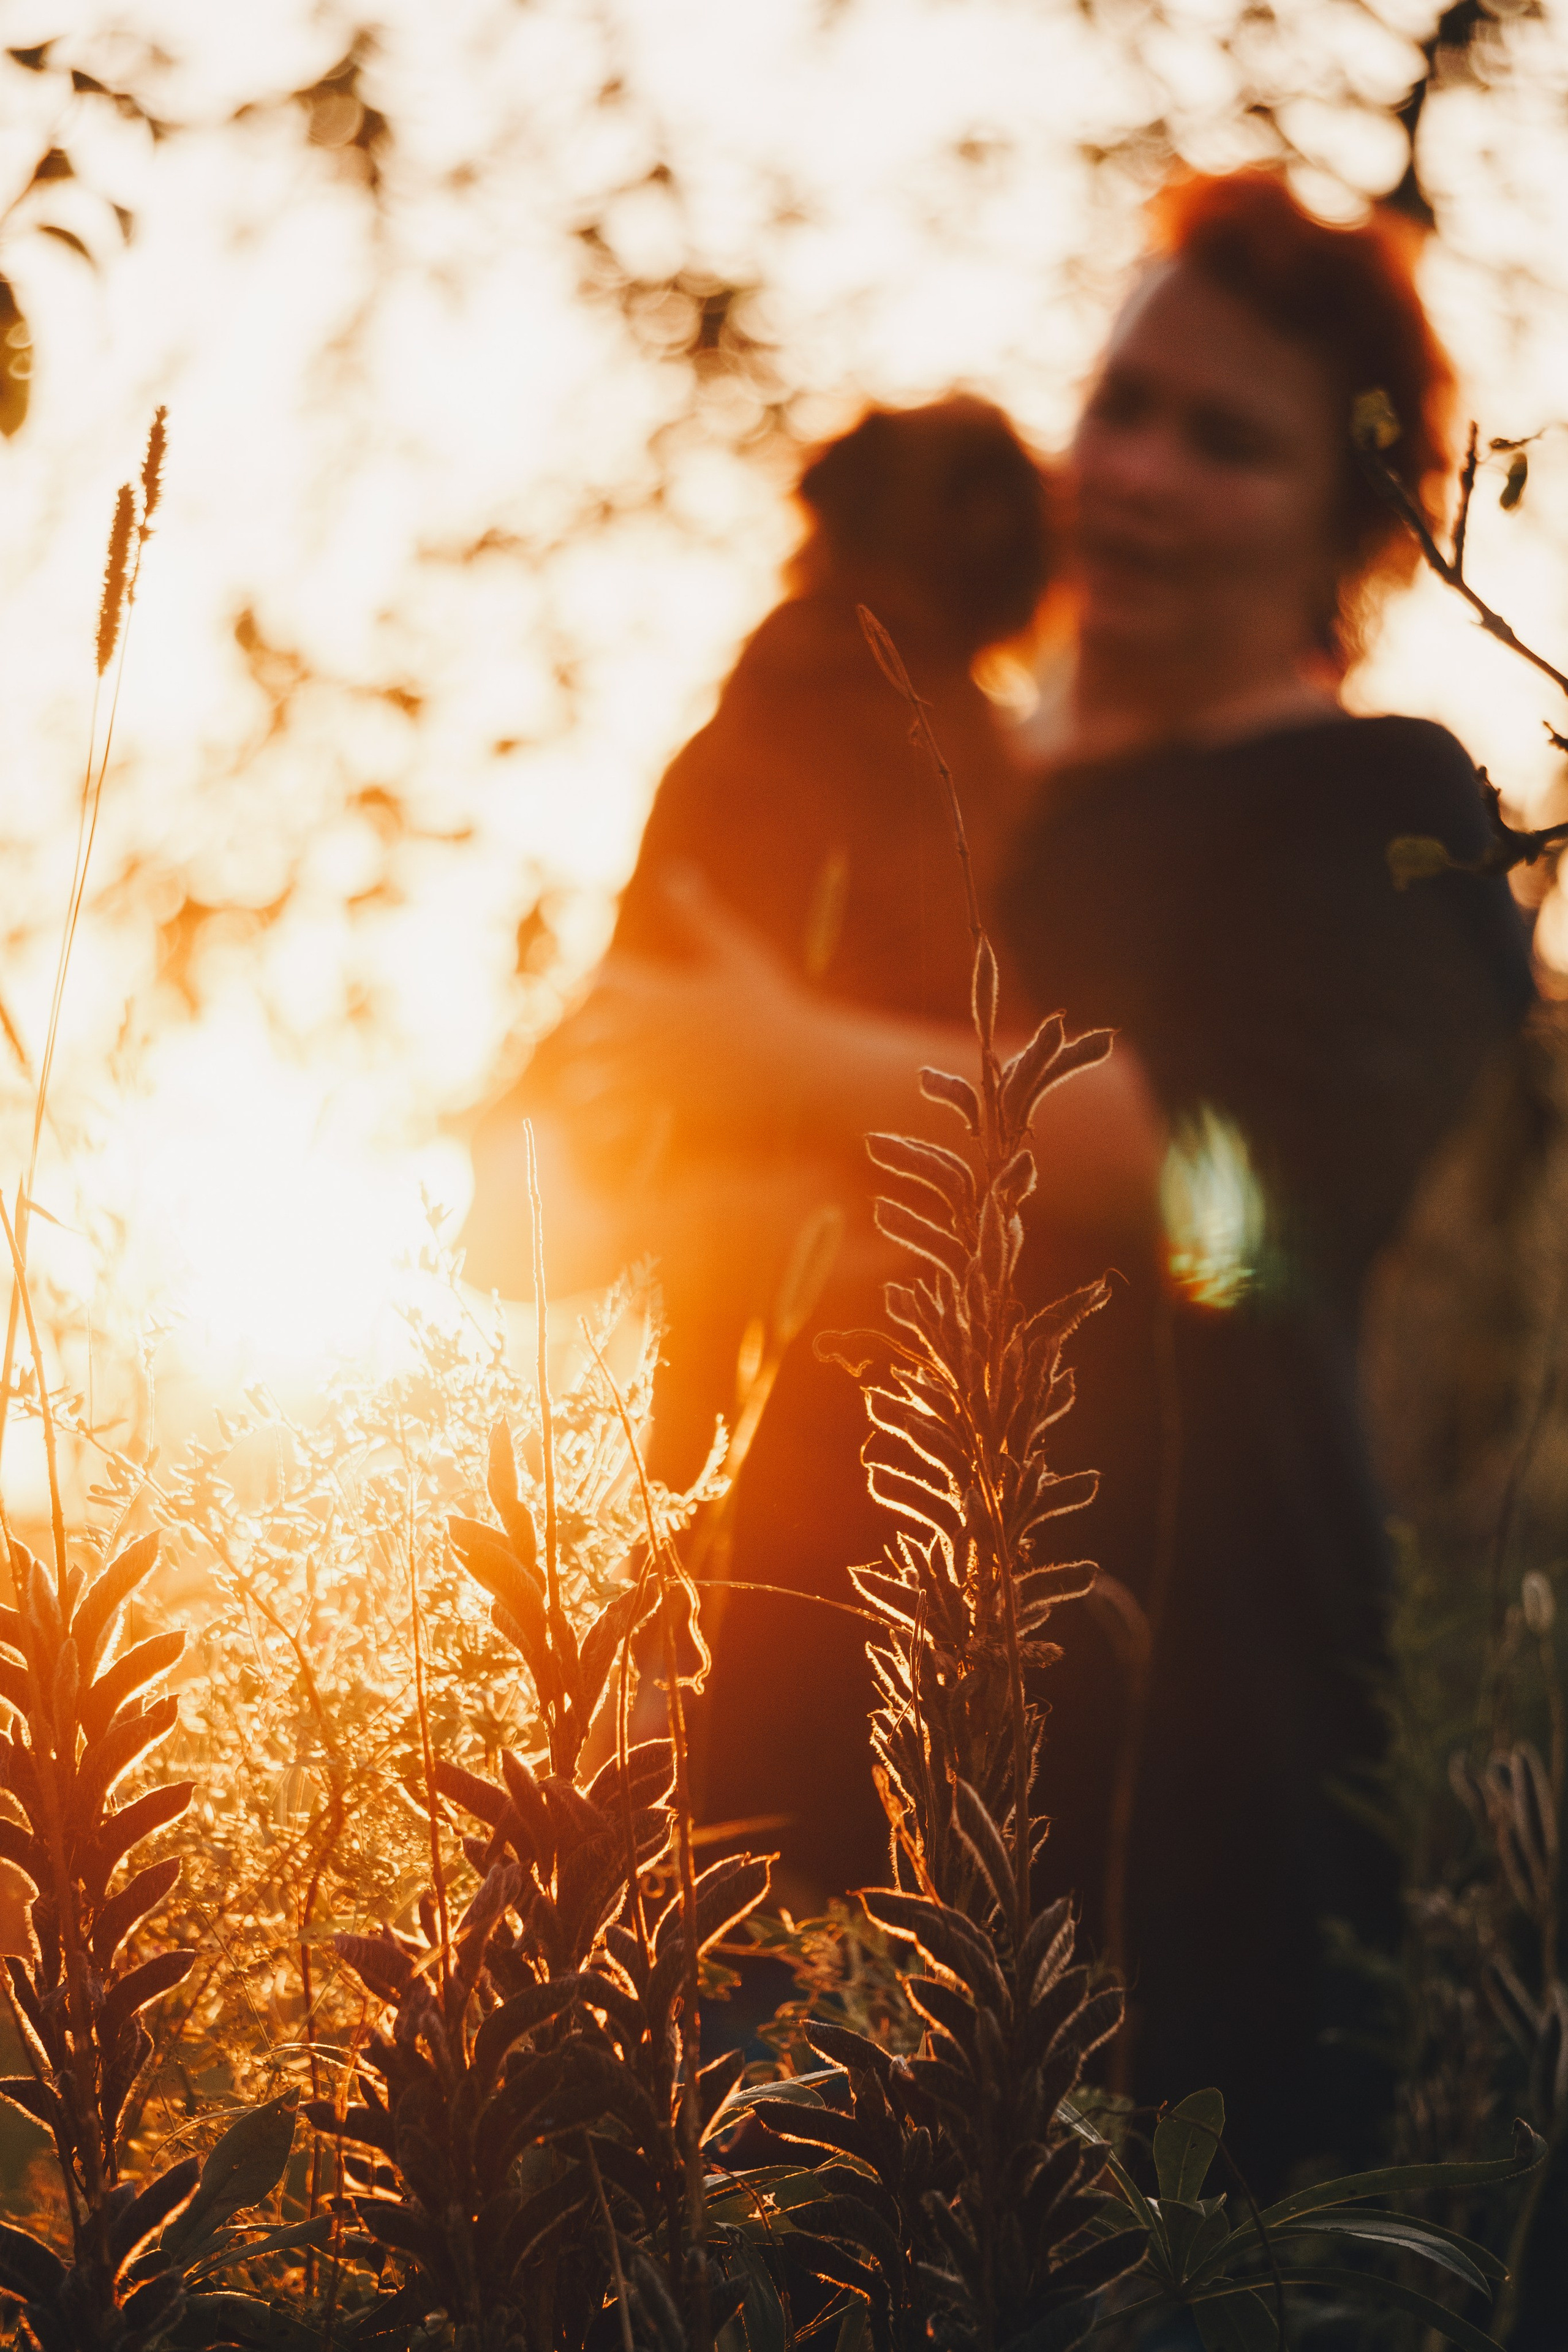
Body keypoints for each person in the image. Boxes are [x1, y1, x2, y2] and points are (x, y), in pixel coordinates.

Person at [554, 171, 1536, 2190]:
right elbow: (576, 1171)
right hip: (803, 1699)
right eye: (1126, 408)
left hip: (1194, 1743)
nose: (1144, 476)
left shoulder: (1384, 804)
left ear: (1351, 519)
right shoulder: (904, 766)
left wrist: (770, 1057)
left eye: (1229, 438)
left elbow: (1218, 1185)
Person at [462, 397, 1153, 1901]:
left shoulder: (769, 738)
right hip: (842, 1393)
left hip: (774, 1388)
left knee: (773, 1864)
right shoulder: (929, 746)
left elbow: (593, 1093)